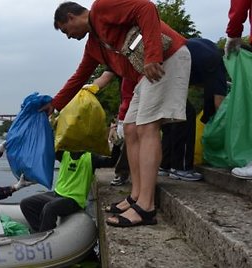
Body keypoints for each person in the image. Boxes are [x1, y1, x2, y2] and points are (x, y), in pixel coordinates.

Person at [42, 1, 191, 228]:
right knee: (130, 128)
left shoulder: (102, 8)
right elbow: (80, 77)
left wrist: (152, 55)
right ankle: (136, 196)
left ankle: (146, 208)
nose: (68, 36)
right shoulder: (94, 45)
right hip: (145, 73)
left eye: (65, 30)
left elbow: (146, 8)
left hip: (166, 58)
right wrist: (55, 104)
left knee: (147, 127)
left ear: (71, 17)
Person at [159, 38, 228, 181]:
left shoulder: (204, 49)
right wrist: (225, 132)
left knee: (170, 118)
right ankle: (181, 168)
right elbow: (219, 104)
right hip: (170, 65)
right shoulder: (217, 64)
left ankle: (165, 165)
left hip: (160, 65)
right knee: (185, 114)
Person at [20, 144, 121, 232]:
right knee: (26, 203)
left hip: (74, 200)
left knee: (50, 208)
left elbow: (111, 162)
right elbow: (48, 147)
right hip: (57, 194)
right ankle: (41, 231)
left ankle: (45, 236)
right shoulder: (63, 154)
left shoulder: (91, 158)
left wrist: (116, 145)